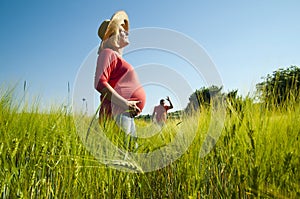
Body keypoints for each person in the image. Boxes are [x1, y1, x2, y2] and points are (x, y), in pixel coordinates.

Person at [94, 10, 146, 139]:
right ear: (114, 35)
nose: (126, 32)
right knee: (121, 155)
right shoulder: (107, 53)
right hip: (116, 112)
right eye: (122, 30)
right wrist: (125, 103)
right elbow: (100, 83)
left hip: (124, 112)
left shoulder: (115, 56)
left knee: (130, 151)